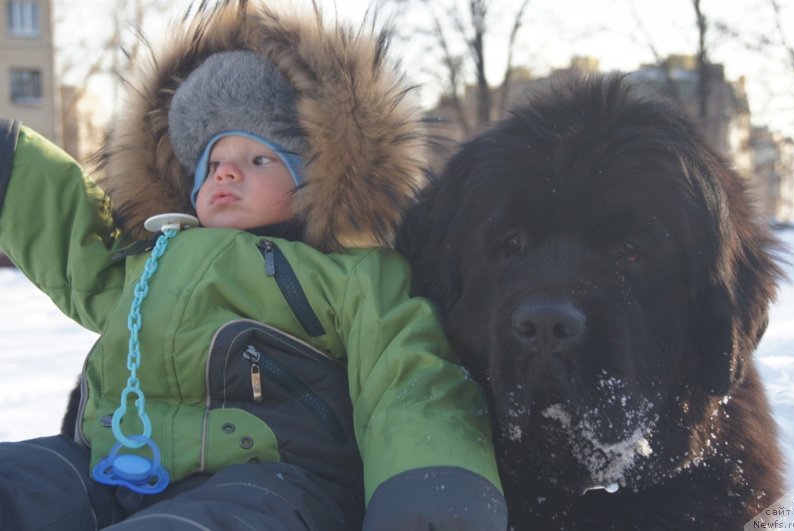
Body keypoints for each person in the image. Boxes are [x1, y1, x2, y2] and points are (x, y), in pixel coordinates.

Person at [0, 2, 507, 530]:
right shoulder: (149, 262)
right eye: (213, 162)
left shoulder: (348, 275)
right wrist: (10, 164)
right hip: (112, 465)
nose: (226, 175)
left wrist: (430, 491)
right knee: (18, 483)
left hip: (270, 482)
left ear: (320, 177)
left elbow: (407, 380)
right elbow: (76, 242)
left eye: (259, 159)